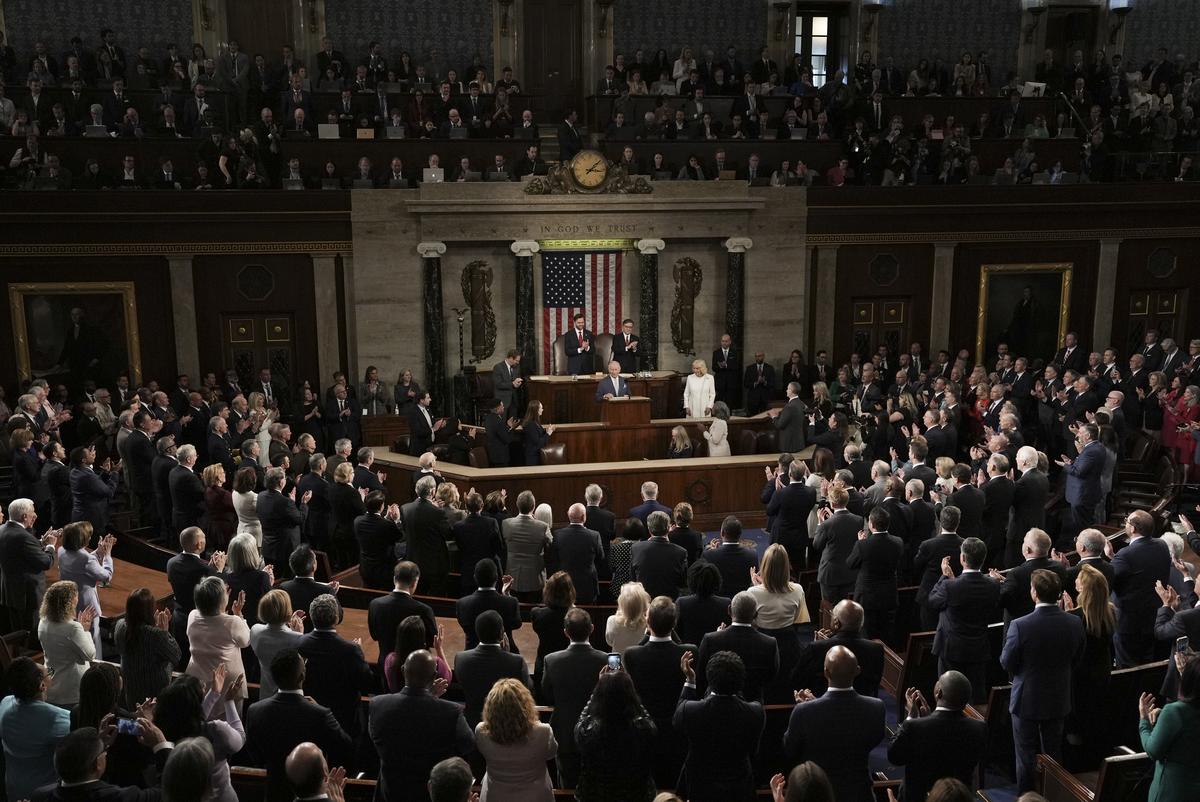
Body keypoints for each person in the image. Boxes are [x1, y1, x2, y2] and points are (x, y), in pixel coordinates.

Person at [1001, 569, 1087, 793]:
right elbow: (1077, 658)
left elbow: (1007, 662)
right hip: (1058, 697)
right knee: (1053, 752)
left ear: (1034, 593)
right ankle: (1053, 794)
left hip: (1026, 699)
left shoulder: (1020, 625)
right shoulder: (1074, 622)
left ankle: (1027, 797)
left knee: (1025, 756)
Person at [244, 649, 352, 802]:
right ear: (302, 676)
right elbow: (345, 747)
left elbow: (255, 755)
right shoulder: (320, 714)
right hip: (314, 795)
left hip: (274, 792)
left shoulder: (255, 711)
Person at [784, 645, 886, 802]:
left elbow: (789, 748)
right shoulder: (876, 707)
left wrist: (807, 708)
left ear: (826, 672)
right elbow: (873, 740)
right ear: (857, 670)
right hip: (859, 793)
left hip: (818, 795)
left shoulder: (803, 711)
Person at [370, 650, 475, 802]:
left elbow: (377, 740)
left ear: (403, 670)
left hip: (391, 793)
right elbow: (468, 744)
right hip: (431, 794)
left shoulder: (378, 705)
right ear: (434, 677)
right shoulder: (450, 712)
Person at [624, 597, 697, 788]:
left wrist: (649, 631)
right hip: (677, 732)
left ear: (647, 623)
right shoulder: (689, 651)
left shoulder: (632, 654)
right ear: (674, 624)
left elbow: (640, 648)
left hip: (646, 731)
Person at [675, 649, 766, 802]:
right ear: (741, 681)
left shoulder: (690, 711)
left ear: (709, 679)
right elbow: (754, 750)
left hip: (701, 788)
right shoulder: (755, 712)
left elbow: (678, 718)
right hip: (739, 789)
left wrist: (690, 680)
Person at [888, 669, 987, 802]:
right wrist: (926, 720)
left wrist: (911, 718)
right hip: (958, 798)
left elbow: (894, 756)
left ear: (939, 693)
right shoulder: (979, 728)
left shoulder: (914, 727)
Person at [152, 672, 245, 802]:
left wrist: (214, 693)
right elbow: (240, 738)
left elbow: (190, 717)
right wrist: (229, 701)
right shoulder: (217, 730)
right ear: (197, 704)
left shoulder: (162, 732)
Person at [928, 536, 1001, 703]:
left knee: (947, 695)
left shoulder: (950, 586)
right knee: (975, 696)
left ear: (962, 558)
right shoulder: (993, 585)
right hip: (978, 648)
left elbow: (932, 600)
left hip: (951, 649)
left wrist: (945, 577)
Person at [542, 608, 609, 789]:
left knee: (567, 785)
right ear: (592, 629)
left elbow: (547, 694)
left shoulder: (551, 660)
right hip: (598, 733)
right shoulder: (606, 660)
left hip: (565, 734)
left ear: (565, 633)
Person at [574, 668, 657, 802]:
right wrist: (630, 691)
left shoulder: (588, 731)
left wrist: (597, 690)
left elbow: (582, 719)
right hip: (635, 796)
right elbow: (647, 719)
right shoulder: (642, 729)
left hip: (595, 796)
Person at [298, 594, 374, 738]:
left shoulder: (300, 644)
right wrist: (360, 655)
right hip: (346, 719)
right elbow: (367, 683)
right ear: (336, 618)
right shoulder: (351, 650)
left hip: (310, 715)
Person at [1062, 563, 1115, 761]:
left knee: (1077, 726)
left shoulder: (1075, 618)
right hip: (1102, 674)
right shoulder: (1109, 611)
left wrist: (1067, 614)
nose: (1075, 580)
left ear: (1083, 588)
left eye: (1078, 579)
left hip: (1079, 679)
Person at [0, 658, 71, 801]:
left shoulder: (4, 704)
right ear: (42, 685)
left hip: (12, 788)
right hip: (43, 794)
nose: (50, 675)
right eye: (48, 673)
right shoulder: (58, 718)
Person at [475, 678, 556, 801]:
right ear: (526, 704)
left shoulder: (481, 731)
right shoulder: (543, 731)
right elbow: (551, 754)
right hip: (535, 795)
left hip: (496, 795)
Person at [748, 544, 811, 702]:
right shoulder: (797, 589)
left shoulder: (753, 593)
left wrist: (756, 587)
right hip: (789, 645)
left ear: (765, 567)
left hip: (761, 644)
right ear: (786, 567)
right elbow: (797, 618)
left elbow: (751, 622)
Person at [1111, 509, 1172, 666]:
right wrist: (1114, 558)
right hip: (1154, 617)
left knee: (1127, 669)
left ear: (1132, 528)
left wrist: (1112, 559)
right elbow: (1139, 571)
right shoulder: (1162, 545)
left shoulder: (1125, 555)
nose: (1126, 522)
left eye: (1127, 520)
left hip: (1129, 624)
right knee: (1147, 664)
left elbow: (1109, 580)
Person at [696, 591, 779, 702]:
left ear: (729, 610)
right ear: (755, 614)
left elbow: (701, 674)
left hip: (716, 702)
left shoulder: (710, 640)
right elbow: (771, 676)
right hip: (753, 703)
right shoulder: (769, 643)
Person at [791, 599, 884, 697]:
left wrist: (817, 646)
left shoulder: (816, 648)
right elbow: (874, 683)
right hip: (863, 707)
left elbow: (797, 679)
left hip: (822, 705)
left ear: (836, 622)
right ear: (861, 624)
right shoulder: (876, 649)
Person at [455, 610, 531, 728]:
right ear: (502, 633)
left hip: (472, 724)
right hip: (505, 725)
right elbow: (527, 688)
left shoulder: (461, 659)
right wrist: (508, 654)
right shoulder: (516, 662)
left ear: (477, 631)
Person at [185, 576, 251, 710]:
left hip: (197, 682)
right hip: (227, 686)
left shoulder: (192, 616)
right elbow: (246, 641)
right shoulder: (233, 622)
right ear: (222, 600)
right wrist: (238, 614)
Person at [1139, 658, 1200, 801]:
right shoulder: (1176, 713)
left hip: (1171, 793)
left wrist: (1144, 721)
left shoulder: (1174, 712)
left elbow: (1153, 750)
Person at [114, 587, 181, 709]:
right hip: (154, 698)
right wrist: (164, 631)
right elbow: (176, 656)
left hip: (131, 693)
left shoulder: (120, 626)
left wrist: (156, 629)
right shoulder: (156, 635)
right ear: (150, 610)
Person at [0, 497, 58, 637]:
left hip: (11, 592)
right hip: (28, 596)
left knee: (17, 633)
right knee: (31, 635)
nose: (36, 515)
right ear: (25, 516)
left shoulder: (2, 529)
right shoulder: (23, 537)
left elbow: (18, 551)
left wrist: (40, 543)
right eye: (33, 512)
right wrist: (50, 545)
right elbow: (45, 563)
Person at [56, 520, 113, 654]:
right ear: (82, 539)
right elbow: (106, 576)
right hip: (87, 607)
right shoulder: (87, 560)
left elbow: (81, 562)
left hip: (69, 603)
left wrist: (98, 552)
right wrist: (107, 554)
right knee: (92, 642)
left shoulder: (61, 551)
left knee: (74, 639)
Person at [403, 475, 453, 596]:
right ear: (432, 491)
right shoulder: (437, 512)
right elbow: (448, 535)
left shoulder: (405, 508)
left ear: (416, 490)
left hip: (412, 560)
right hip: (434, 565)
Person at [456, 558, 522, 650]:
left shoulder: (462, 604)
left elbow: (466, 627)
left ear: (475, 577)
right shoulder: (510, 602)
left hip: (472, 656)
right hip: (505, 654)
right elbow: (516, 624)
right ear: (496, 577)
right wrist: (506, 595)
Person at [812, 486, 862, 603]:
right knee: (847, 610)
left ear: (832, 504)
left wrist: (820, 524)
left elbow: (817, 545)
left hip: (830, 575)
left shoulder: (826, 525)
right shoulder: (859, 520)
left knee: (830, 611)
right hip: (850, 573)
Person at [502, 490, 553, 602]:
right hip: (535, 579)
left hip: (511, 578)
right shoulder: (542, 527)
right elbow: (551, 545)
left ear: (517, 505)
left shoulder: (506, 524)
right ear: (533, 507)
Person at [553, 503, 605, 603]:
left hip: (565, 585)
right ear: (583, 517)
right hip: (587, 586)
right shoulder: (594, 535)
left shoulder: (558, 535)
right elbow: (601, 557)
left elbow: (554, 559)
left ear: (568, 515)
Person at [355, 490, 403, 590]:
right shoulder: (387, 525)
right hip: (384, 570)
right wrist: (396, 521)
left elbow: (375, 526)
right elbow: (399, 537)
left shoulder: (358, 521)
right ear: (381, 506)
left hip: (366, 568)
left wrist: (386, 518)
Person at [704, 515, 758, 596]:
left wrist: (713, 551)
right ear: (740, 534)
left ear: (722, 533)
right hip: (743, 599)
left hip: (719, 601)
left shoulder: (709, 555)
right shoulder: (752, 555)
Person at [607, 581, 651, 655]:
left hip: (619, 664)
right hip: (640, 663)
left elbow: (609, 642)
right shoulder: (648, 622)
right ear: (643, 602)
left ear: (621, 602)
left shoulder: (612, 620)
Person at [769, 382, 809, 452]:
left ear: (792, 390)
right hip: (799, 443)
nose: (786, 390)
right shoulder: (801, 403)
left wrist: (774, 417)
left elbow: (780, 425)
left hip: (789, 445)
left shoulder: (789, 407)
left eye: (788, 389)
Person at [231, 466, 261, 543]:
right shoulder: (254, 497)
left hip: (241, 530)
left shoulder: (234, 493)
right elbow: (263, 514)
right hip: (254, 535)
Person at [521, 401, 555, 466]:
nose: (542, 410)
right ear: (536, 410)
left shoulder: (535, 422)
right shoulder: (530, 425)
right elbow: (538, 442)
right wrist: (548, 433)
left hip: (537, 455)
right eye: (541, 408)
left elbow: (538, 434)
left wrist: (547, 430)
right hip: (532, 458)